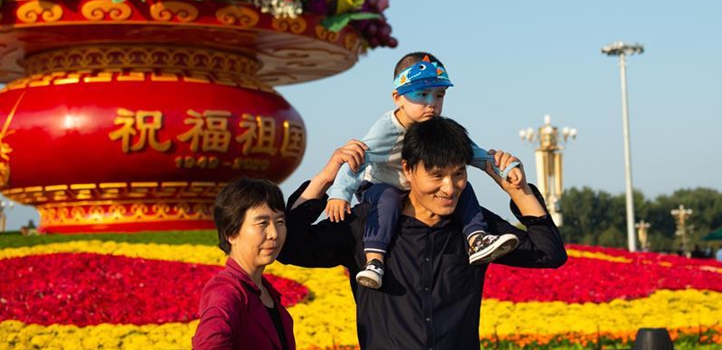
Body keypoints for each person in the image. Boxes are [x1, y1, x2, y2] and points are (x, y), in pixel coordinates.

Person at [279, 117, 568, 350]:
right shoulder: (366, 224)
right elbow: (290, 247)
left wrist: (519, 191)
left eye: (458, 174)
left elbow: (549, 253)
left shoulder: (474, 229)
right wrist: (326, 178)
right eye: (437, 175)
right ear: (407, 169)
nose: (450, 188)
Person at [324, 52, 523, 288]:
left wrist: (505, 167)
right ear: (397, 98)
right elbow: (355, 158)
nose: (432, 104)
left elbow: (472, 153)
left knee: (463, 187)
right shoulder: (385, 131)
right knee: (388, 198)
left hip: (417, 191)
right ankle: (375, 261)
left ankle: (476, 239)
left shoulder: (437, 128)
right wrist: (339, 194)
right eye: (422, 95)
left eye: (439, 95)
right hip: (379, 186)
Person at [193, 178, 295, 350]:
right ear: (231, 234)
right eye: (262, 223)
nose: (274, 234)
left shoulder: (267, 292)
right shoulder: (227, 291)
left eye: (280, 222)